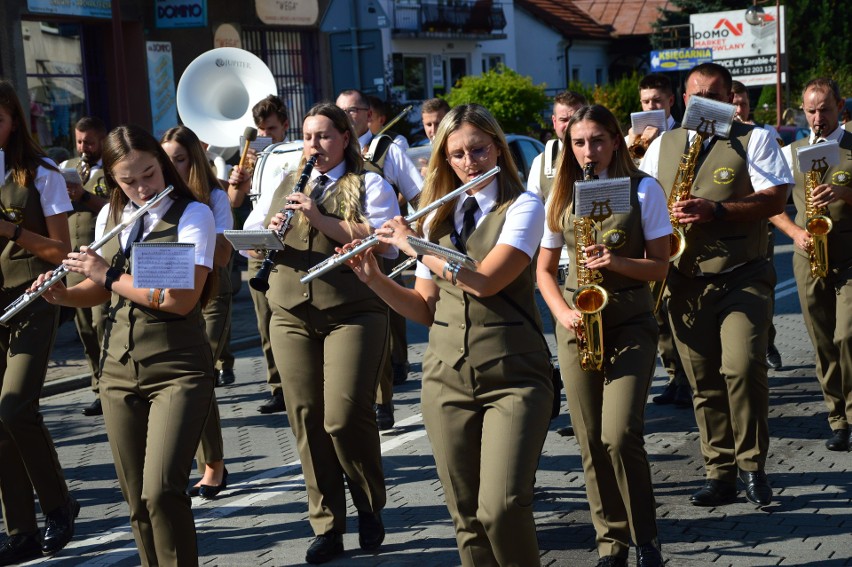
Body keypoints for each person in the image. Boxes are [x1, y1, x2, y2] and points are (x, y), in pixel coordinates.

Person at [344, 103, 553, 566]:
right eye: (456, 155)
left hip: (513, 374)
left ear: (497, 148)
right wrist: (376, 278)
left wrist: (413, 243)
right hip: (445, 379)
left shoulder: (523, 206)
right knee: (466, 517)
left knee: (500, 508)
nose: (468, 163)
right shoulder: (438, 216)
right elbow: (423, 308)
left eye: (478, 150)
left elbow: (486, 280)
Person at [35, 124, 216, 566]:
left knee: (161, 491)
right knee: (136, 500)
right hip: (117, 369)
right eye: (127, 181)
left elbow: (178, 299)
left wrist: (107, 274)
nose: (141, 188)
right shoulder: (110, 218)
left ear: (162, 165)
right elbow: (99, 291)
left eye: (149, 175)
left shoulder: (193, 215)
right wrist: (62, 295)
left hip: (177, 368)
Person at [243, 102, 398, 564]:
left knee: (344, 417)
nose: (315, 145)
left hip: (352, 311)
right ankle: (327, 523)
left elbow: (383, 241)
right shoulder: (287, 181)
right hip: (290, 310)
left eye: (325, 137)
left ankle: (369, 503)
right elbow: (251, 233)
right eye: (309, 137)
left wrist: (318, 217)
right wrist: (264, 236)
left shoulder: (370, 182)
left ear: (345, 139)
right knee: (307, 417)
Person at [640, 63, 792, 508]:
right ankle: (719, 472)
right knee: (703, 382)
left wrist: (717, 211)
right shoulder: (664, 144)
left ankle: (752, 466)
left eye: (713, 95)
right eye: (694, 95)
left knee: (743, 369)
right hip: (685, 279)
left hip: (741, 274)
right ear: (684, 100)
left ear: (729, 100)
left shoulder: (755, 138)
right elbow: (643, 201)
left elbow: (776, 199)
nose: (702, 103)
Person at [537, 104, 669, 567]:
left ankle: (645, 536)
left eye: (596, 140)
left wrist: (613, 263)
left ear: (616, 140)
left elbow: (660, 266)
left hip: (630, 321)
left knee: (619, 433)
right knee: (591, 438)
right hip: (578, 323)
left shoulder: (644, 189)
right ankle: (611, 542)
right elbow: (545, 271)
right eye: (578, 142)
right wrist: (562, 313)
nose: (588, 150)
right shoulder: (562, 194)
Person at [0, 78, 78, 565]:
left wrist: (9, 229)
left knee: (13, 409)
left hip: (31, 296)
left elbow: (62, 251)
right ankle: (20, 530)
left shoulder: (40, 174)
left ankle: (58, 504)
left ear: (13, 123)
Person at [770, 78, 852, 452]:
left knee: (846, 336)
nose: (818, 118)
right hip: (810, 258)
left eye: (825, 109)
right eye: (811, 110)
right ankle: (837, 419)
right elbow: (772, 206)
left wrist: (844, 193)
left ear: (840, 109)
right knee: (823, 342)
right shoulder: (792, 152)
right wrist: (795, 233)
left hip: (850, 258)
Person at [336, 88, 423, 430]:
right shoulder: (334, 152)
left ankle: (382, 400)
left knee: (380, 330)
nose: (347, 116)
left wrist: (414, 239)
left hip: (380, 248)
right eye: (340, 111)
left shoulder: (388, 149)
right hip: (341, 250)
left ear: (368, 115)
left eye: (353, 110)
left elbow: (419, 194)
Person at [161, 125, 234, 496]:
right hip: (172, 299)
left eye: (180, 159)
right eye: (166, 159)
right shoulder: (158, 198)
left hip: (211, 296)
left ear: (194, 160)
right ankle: (202, 462)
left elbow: (222, 257)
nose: (172, 166)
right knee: (188, 382)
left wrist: (199, 220)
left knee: (200, 375)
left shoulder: (214, 196)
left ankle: (213, 465)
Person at [626, 74, 691, 408]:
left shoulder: (684, 135)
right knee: (659, 313)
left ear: (671, 102)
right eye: (646, 101)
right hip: (648, 234)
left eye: (657, 101)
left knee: (679, 309)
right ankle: (673, 377)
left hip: (679, 233)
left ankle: (691, 376)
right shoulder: (632, 138)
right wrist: (635, 147)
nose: (651, 107)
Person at [228, 93, 291, 414]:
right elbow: (235, 201)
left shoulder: (296, 154)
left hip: (291, 244)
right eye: (260, 130)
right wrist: (239, 179)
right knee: (265, 322)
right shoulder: (250, 158)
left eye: (271, 129)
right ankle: (277, 387)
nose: (265, 136)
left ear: (285, 126)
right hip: (258, 245)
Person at [59, 116, 111, 417]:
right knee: (85, 330)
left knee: (101, 323)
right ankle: (97, 387)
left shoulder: (111, 168)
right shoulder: (69, 167)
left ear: (101, 140)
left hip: (99, 258)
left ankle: (111, 385)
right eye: (79, 141)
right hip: (72, 261)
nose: (83, 147)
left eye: (89, 141)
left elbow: (118, 207)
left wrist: (84, 196)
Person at [731, 80, 784, 371]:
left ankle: (767, 340)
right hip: (727, 227)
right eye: (734, 104)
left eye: (742, 104)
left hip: (761, 225)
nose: (738, 109)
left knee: (764, 290)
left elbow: (774, 180)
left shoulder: (766, 133)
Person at [526, 90, 587, 200]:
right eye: (563, 120)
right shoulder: (540, 163)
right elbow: (533, 208)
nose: (569, 125)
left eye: (575, 119)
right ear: (554, 122)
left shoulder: (603, 155)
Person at [417, 98, 451, 177]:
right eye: (429, 124)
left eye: (437, 124)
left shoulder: (461, 148)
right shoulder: (420, 153)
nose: (433, 130)